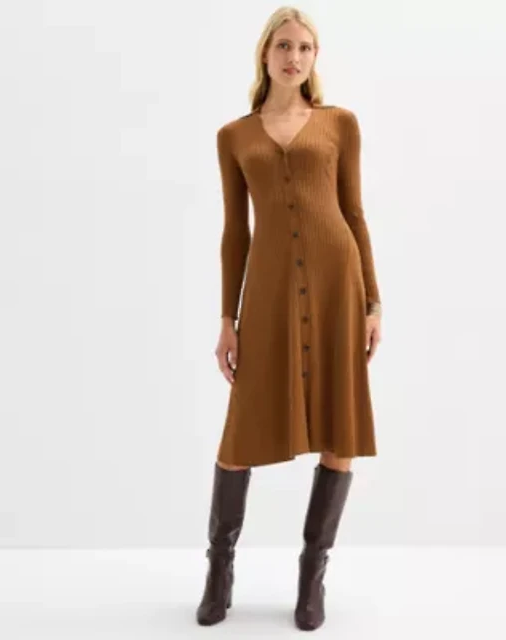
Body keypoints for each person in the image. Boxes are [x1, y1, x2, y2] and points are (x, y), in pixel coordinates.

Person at [196, 5, 383, 631]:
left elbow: (355, 214)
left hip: (337, 287)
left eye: (304, 47)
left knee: (338, 431)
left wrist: (373, 302)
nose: (293, 56)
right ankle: (219, 570)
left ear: (314, 57)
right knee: (239, 437)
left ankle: (312, 578)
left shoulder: (339, 124)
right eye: (283, 45)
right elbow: (235, 233)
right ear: (265, 53)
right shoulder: (234, 136)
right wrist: (228, 318)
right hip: (269, 295)